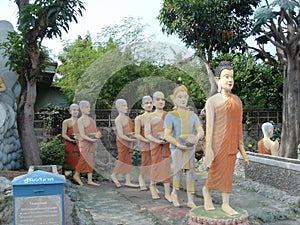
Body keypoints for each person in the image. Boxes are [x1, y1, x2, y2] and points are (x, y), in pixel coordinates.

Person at [202, 61, 249, 216]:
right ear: (217, 80)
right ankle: (206, 191)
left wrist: (242, 149)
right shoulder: (212, 101)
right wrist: (208, 148)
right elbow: (209, 127)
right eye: (226, 76)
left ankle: (225, 204)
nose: (230, 80)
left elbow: (238, 126)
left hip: (231, 143)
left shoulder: (237, 101)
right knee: (215, 170)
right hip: (217, 144)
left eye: (232, 77)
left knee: (228, 173)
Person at [164, 84, 204, 209]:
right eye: (180, 97)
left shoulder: (192, 115)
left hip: (190, 148)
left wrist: (196, 138)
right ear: (174, 99)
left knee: (191, 172)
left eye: (185, 97)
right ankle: (174, 193)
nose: (183, 99)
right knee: (177, 172)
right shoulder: (170, 116)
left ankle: (190, 200)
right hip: (177, 149)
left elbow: (200, 130)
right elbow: (167, 135)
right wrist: (177, 144)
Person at [144, 91, 171, 202]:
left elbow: (172, 130)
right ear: (153, 102)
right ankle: (152, 185)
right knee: (155, 165)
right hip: (155, 144)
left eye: (163, 99)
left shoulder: (168, 115)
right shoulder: (149, 116)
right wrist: (156, 141)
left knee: (166, 167)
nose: (161, 102)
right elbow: (147, 134)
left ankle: (167, 193)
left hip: (166, 144)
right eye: (158, 100)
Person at [111, 99, 139, 188]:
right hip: (122, 142)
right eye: (123, 106)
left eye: (126, 105)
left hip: (129, 140)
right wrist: (130, 139)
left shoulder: (128, 118)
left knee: (128, 160)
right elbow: (120, 134)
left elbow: (132, 131)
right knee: (122, 160)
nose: (126, 107)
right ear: (118, 108)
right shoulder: (118, 119)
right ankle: (114, 175)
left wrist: (134, 137)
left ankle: (128, 180)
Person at [73, 100, 102, 186]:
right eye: (87, 107)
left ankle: (90, 180)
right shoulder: (80, 120)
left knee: (90, 160)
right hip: (84, 143)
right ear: (81, 109)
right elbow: (82, 134)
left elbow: (96, 131)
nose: (89, 109)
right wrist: (91, 139)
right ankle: (76, 175)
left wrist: (98, 135)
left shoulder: (91, 120)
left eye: (89, 107)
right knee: (83, 159)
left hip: (91, 143)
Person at [134, 95, 153, 190]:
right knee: (146, 162)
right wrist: (146, 140)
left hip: (156, 143)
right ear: (142, 105)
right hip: (145, 143)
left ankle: (152, 183)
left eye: (150, 103)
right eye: (147, 103)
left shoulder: (157, 116)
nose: (149, 105)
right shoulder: (139, 118)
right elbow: (137, 134)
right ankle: (141, 178)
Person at [61, 103, 80, 174]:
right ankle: (68, 175)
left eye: (77, 110)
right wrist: (71, 140)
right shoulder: (66, 122)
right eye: (74, 110)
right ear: (70, 111)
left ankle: (77, 176)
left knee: (78, 160)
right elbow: (63, 134)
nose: (75, 111)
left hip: (79, 143)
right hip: (69, 143)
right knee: (69, 159)